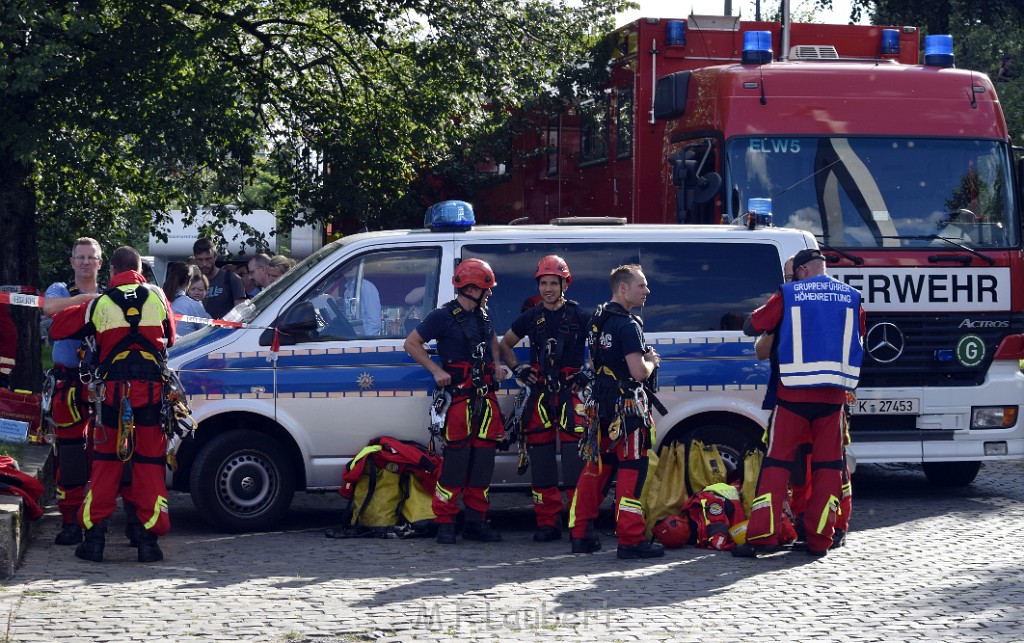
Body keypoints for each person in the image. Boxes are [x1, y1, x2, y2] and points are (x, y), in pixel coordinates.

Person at [49, 246, 176, 563]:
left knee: (106, 466)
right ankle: (149, 542)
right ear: (141, 270)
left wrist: (86, 308)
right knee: (149, 466)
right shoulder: (158, 297)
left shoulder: (100, 304)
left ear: (111, 271)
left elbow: (57, 329)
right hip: (150, 396)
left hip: (112, 397)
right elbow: (170, 337)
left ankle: (94, 541)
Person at [736, 248, 865, 558]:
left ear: (804, 270)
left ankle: (763, 538)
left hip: (793, 395)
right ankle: (820, 540)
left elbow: (752, 326)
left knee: (777, 466)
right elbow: (859, 338)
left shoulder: (790, 293)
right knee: (827, 470)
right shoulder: (852, 296)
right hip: (833, 398)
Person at [403, 258, 507, 545]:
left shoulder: (483, 315)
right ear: (472, 288)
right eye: (487, 288)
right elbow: (411, 343)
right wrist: (436, 371)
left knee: (482, 465)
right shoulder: (442, 316)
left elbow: (492, 339)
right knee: (455, 464)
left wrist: (496, 363)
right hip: (459, 402)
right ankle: (446, 523)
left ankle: (476, 522)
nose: (490, 293)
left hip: (485, 401)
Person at [569, 264, 664, 559]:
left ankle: (581, 533)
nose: (647, 291)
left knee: (596, 469)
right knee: (632, 470)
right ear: (623, 288)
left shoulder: (598, 320)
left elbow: (597, 366)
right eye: (641, 286)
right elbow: (637, 372)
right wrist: (652, 362)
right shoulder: (627, 324)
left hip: (600, 407)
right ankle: (630, 539)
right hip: (628, 410)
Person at [499, 255, 590, 542]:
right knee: (541, 461)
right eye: (543, 283)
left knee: (577, 462)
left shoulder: (580, 316)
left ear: (565, 284)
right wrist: (518, 369)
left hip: (571, 394)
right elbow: (505, 344)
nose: (548, 288)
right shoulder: (531, 317)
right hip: (539, 396)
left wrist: (588, 371)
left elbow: (600, 347)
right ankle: (547, 524)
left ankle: (579, 524)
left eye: (554, 282)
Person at [42, 237, 106, 545]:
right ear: (71, 262)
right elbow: (50, 309)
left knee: (107, 454)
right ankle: (70, 520)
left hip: (103, 384)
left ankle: (98, 519)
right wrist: (90, 300)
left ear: (99, 263)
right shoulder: (59, 290)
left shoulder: (112, 295)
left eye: (90, 257)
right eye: (79, 257)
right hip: (68, 385)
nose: (84, 262)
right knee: (70, 454)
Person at [192, 238, 245, 319]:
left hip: (226, 330)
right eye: (200, 260)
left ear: (215, 256)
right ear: (195, 258)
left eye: (208, 259)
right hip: (200, 330)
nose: (204, 264)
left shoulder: (231, 278)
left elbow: (241, 314)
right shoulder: (191, 281)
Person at [162, 262, 209, 337]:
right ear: (188, 281)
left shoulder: (160, 300)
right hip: (188, 347)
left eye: (200, 289)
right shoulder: (192, 305)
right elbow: (207, 331)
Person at [342, 265, 382, 337]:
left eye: (352, 265)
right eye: (346, 265)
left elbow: (374, 321)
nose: (348, 268)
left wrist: (366, 342)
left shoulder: (366, 287)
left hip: (363, 341)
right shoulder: (347, 291)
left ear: (358, 268)